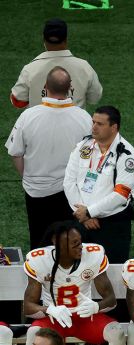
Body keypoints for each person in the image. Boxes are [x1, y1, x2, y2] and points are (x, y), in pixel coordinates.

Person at [23, 221, 126, 345]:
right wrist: (49, 309)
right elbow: (28, 308)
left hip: (84, 316)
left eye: (80, 242)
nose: (81, 247)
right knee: (34, 333)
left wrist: (96, 306)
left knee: (118, 332)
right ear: (59, 245)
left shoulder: (93, 254)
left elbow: (111, 300)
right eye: (75, 244)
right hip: (55, 319)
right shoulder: (39, 260)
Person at [6, 67, 92, 246]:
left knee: (39, 242)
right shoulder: (84, 118)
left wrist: (28, 177)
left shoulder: (27, 116)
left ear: (45, 86)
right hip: (72, 195)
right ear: (70, 87)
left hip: (37, 192)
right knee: (70, 244)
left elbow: (15, 153)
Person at [62, 105, 134, 263]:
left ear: (114, 127)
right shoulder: (83, 147)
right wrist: (83, 215)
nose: (94, 127)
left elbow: (120, 195)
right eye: (93, 122)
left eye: (100, 124)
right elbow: (69, 182)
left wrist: (89, 212)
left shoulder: (127, 156)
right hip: (80, 220)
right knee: (77, 269)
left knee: (111, 269)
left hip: (112, 226)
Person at [10, 18, 102, 109]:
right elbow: (94, 98)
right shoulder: (84, 67)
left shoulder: (30, 69)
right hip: (74, 123)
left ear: (44, 40)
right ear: (65, 39)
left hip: (40, 123)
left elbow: (18, 102)